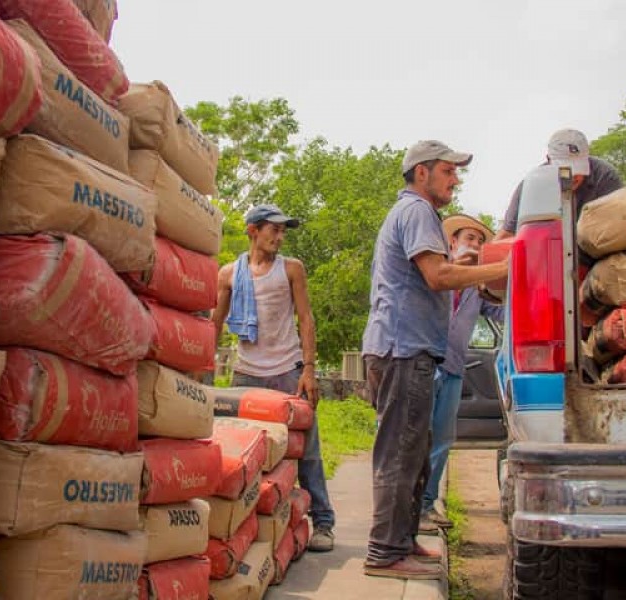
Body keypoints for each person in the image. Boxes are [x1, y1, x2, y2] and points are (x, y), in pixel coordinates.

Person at [361, 140, 508, 580]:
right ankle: (385, 552)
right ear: (421, 173)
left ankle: (402, 541)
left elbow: (436, 270)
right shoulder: (417, 211)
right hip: (402, 348)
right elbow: (438, 276)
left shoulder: (417, 215)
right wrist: (501, 270)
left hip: (411, 348)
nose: (455, 179)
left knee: (417, 450)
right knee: (401, 452)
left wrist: (466, 263)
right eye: (448, 171)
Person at [211, 203, 336, 553]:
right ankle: (247, 525)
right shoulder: (229, 275)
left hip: (287, 372)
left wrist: (309, 369)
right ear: (253, 230)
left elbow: (306, 319)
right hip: (246, 374)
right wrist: (202, 369)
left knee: (307, 450)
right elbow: (215, 323)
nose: (279, 237)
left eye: (283, 232)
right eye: (273, 230)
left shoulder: (292, 270)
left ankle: (324, 522)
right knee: (243, 454)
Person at [419, 214, 505, 533]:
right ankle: (409, 508)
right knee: (418, 436)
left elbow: (501, 310)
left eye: (480, 241)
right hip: (425, 363)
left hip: (454, 366)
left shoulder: (476, 286)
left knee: (442, 439)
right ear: (453, 242)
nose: (475, 245)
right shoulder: (436, 274)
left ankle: (427, 505)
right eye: (470, 238)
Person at [494, 128, 623, 241]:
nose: (573, 176)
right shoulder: (530, 185)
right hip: (546, 251)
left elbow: (620, 224)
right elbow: (507, 234)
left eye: (578, 169)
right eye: (566, 170)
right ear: (549, 161)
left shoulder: (606, 177)